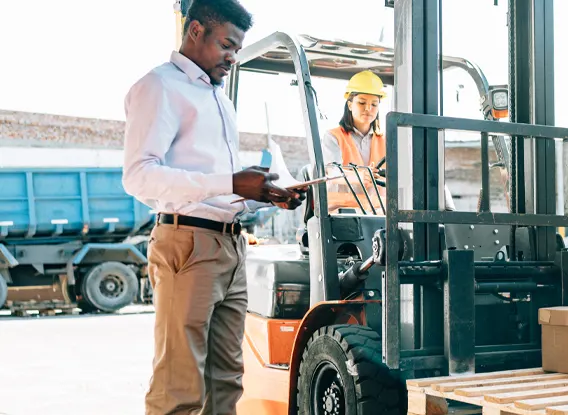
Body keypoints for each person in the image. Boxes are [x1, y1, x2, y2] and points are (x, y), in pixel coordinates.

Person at [121, 1, 300, 413]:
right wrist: (231, 182)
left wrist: (260, 193)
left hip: (231, 247)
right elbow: (139, 176)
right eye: (227, 45)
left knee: (226, 382)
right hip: (189, 244)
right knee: (179, 387)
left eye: (238, 49)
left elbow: (215, 180)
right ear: (195, 30)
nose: (233, 58)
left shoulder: (218, 98)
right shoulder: (160, 87)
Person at [320, 70, 456, 212]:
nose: (368, 109)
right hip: (341, 213)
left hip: (378, 213)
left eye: (374, 104)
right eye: (361, 102)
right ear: (349, 104)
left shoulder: (387, 140)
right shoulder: (333, 137)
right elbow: (331, 173)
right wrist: (359, 176)